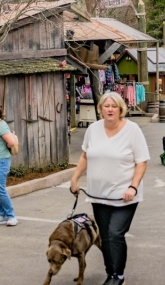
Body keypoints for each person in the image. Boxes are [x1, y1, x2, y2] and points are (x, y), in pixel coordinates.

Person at [69, 92, 149, 285]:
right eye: (106, 106)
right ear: (101, 109)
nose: (110, 109)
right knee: (105, 236)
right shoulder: (93, 129)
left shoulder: (133, 130)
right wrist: (74, 178)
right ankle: (110, 273)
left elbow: (142, 162)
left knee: (115, 233)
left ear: (121, 109)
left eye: (114, 106)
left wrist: (133, 186)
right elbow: (85, 156)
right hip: (98, 195)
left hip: (125, 196)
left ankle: (118, 275)